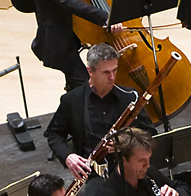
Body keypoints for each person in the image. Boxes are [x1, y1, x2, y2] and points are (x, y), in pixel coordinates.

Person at [45, 44, 139, 176]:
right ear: (90, 71)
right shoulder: (72, 100)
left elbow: (149, 132)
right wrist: (67, 156)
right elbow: (54, 134)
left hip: (129, 165)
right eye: (106, 72)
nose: (112, 77)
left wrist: (127, 142)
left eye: (115, 70)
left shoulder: (129, 96)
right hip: (93, 172)